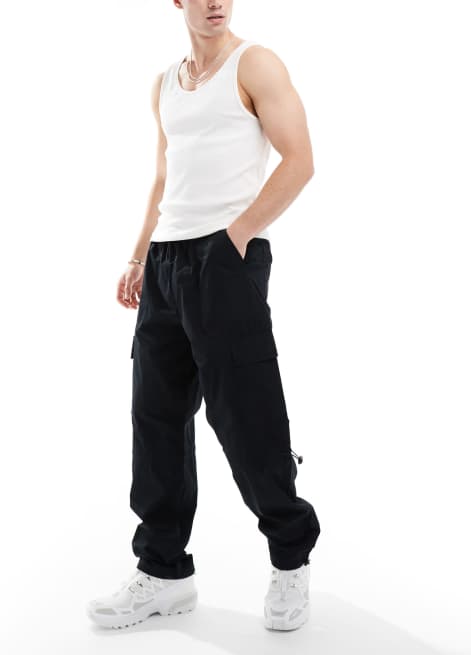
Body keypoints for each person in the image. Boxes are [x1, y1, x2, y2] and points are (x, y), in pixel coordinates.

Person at [86, 0, 320, 632]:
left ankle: (290, 555)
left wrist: (235, 237)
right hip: (166, 261)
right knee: (155, 416)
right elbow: (165, 174)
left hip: (224, 258)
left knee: (245, 415)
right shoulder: (165, 83)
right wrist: (140, 254)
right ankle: (164, 572)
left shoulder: (256, 64)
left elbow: (300, 159)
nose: (216, 2)